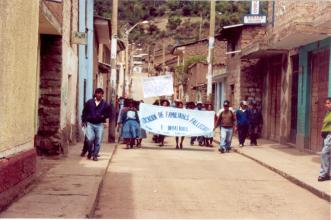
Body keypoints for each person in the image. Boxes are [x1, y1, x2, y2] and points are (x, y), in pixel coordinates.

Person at [82, 88, 110, 161]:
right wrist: (83, 121)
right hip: (90, 123)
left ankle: (95, 155)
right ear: (95, 94)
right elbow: (84, 112)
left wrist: (103, 116)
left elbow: (108, 113)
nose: (99, 95)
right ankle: (90, 152)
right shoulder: (89, 102)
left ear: (102, 95)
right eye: (98, 93)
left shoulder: (105, 104)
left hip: (99, 124)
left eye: (101, 94)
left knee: (98, 140)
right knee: (89, 139)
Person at [318, 97, 331, 181]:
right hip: (326, 136)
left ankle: (323, 174)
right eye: (326, 103)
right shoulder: (328, 112)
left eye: (328, 103)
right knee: (327, 154)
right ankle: (327, 173)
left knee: (324, 153)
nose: (326, 105)